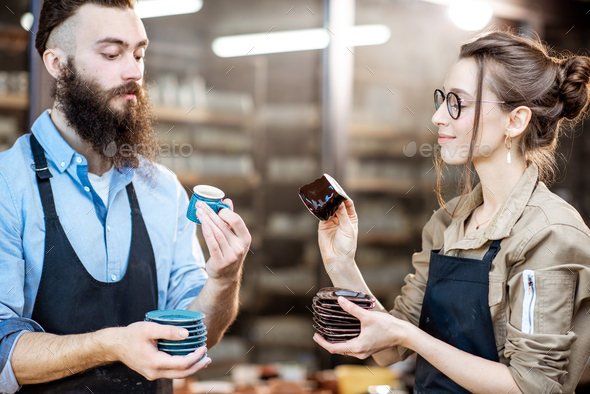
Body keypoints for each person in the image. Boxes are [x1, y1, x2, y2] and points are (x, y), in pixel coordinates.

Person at [313, 29, 590, 394]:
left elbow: (533, 386)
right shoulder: (447, 223)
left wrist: (411, 337)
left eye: (457, 102)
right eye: (443, 99)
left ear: (515, 121)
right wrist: (343, 265)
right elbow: (388, 348)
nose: (438, 116)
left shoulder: (550, 234)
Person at [0, 0, 251, 393]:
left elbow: (199, 332)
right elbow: (2, 350)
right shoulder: (8, 185)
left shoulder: (162, 189)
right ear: (57, 64)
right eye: (112, 53)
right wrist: (111, 344)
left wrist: (223, 279)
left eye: (139, 53)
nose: (134, 72)